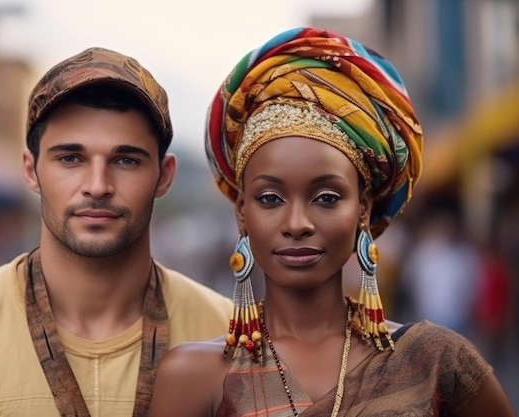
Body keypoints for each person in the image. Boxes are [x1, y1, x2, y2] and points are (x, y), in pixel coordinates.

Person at [148, 27, 516, 417]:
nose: (297, 223)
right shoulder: (192, 376)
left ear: (363, 206)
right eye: (270, 198)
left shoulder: (438, 363)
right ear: (241, 210)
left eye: (326, 197)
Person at [0, 47, 233, 417]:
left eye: (126, 160)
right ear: (30, 170)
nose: (98, 185)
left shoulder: (232, 337)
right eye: (71, 158)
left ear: (164, 176)